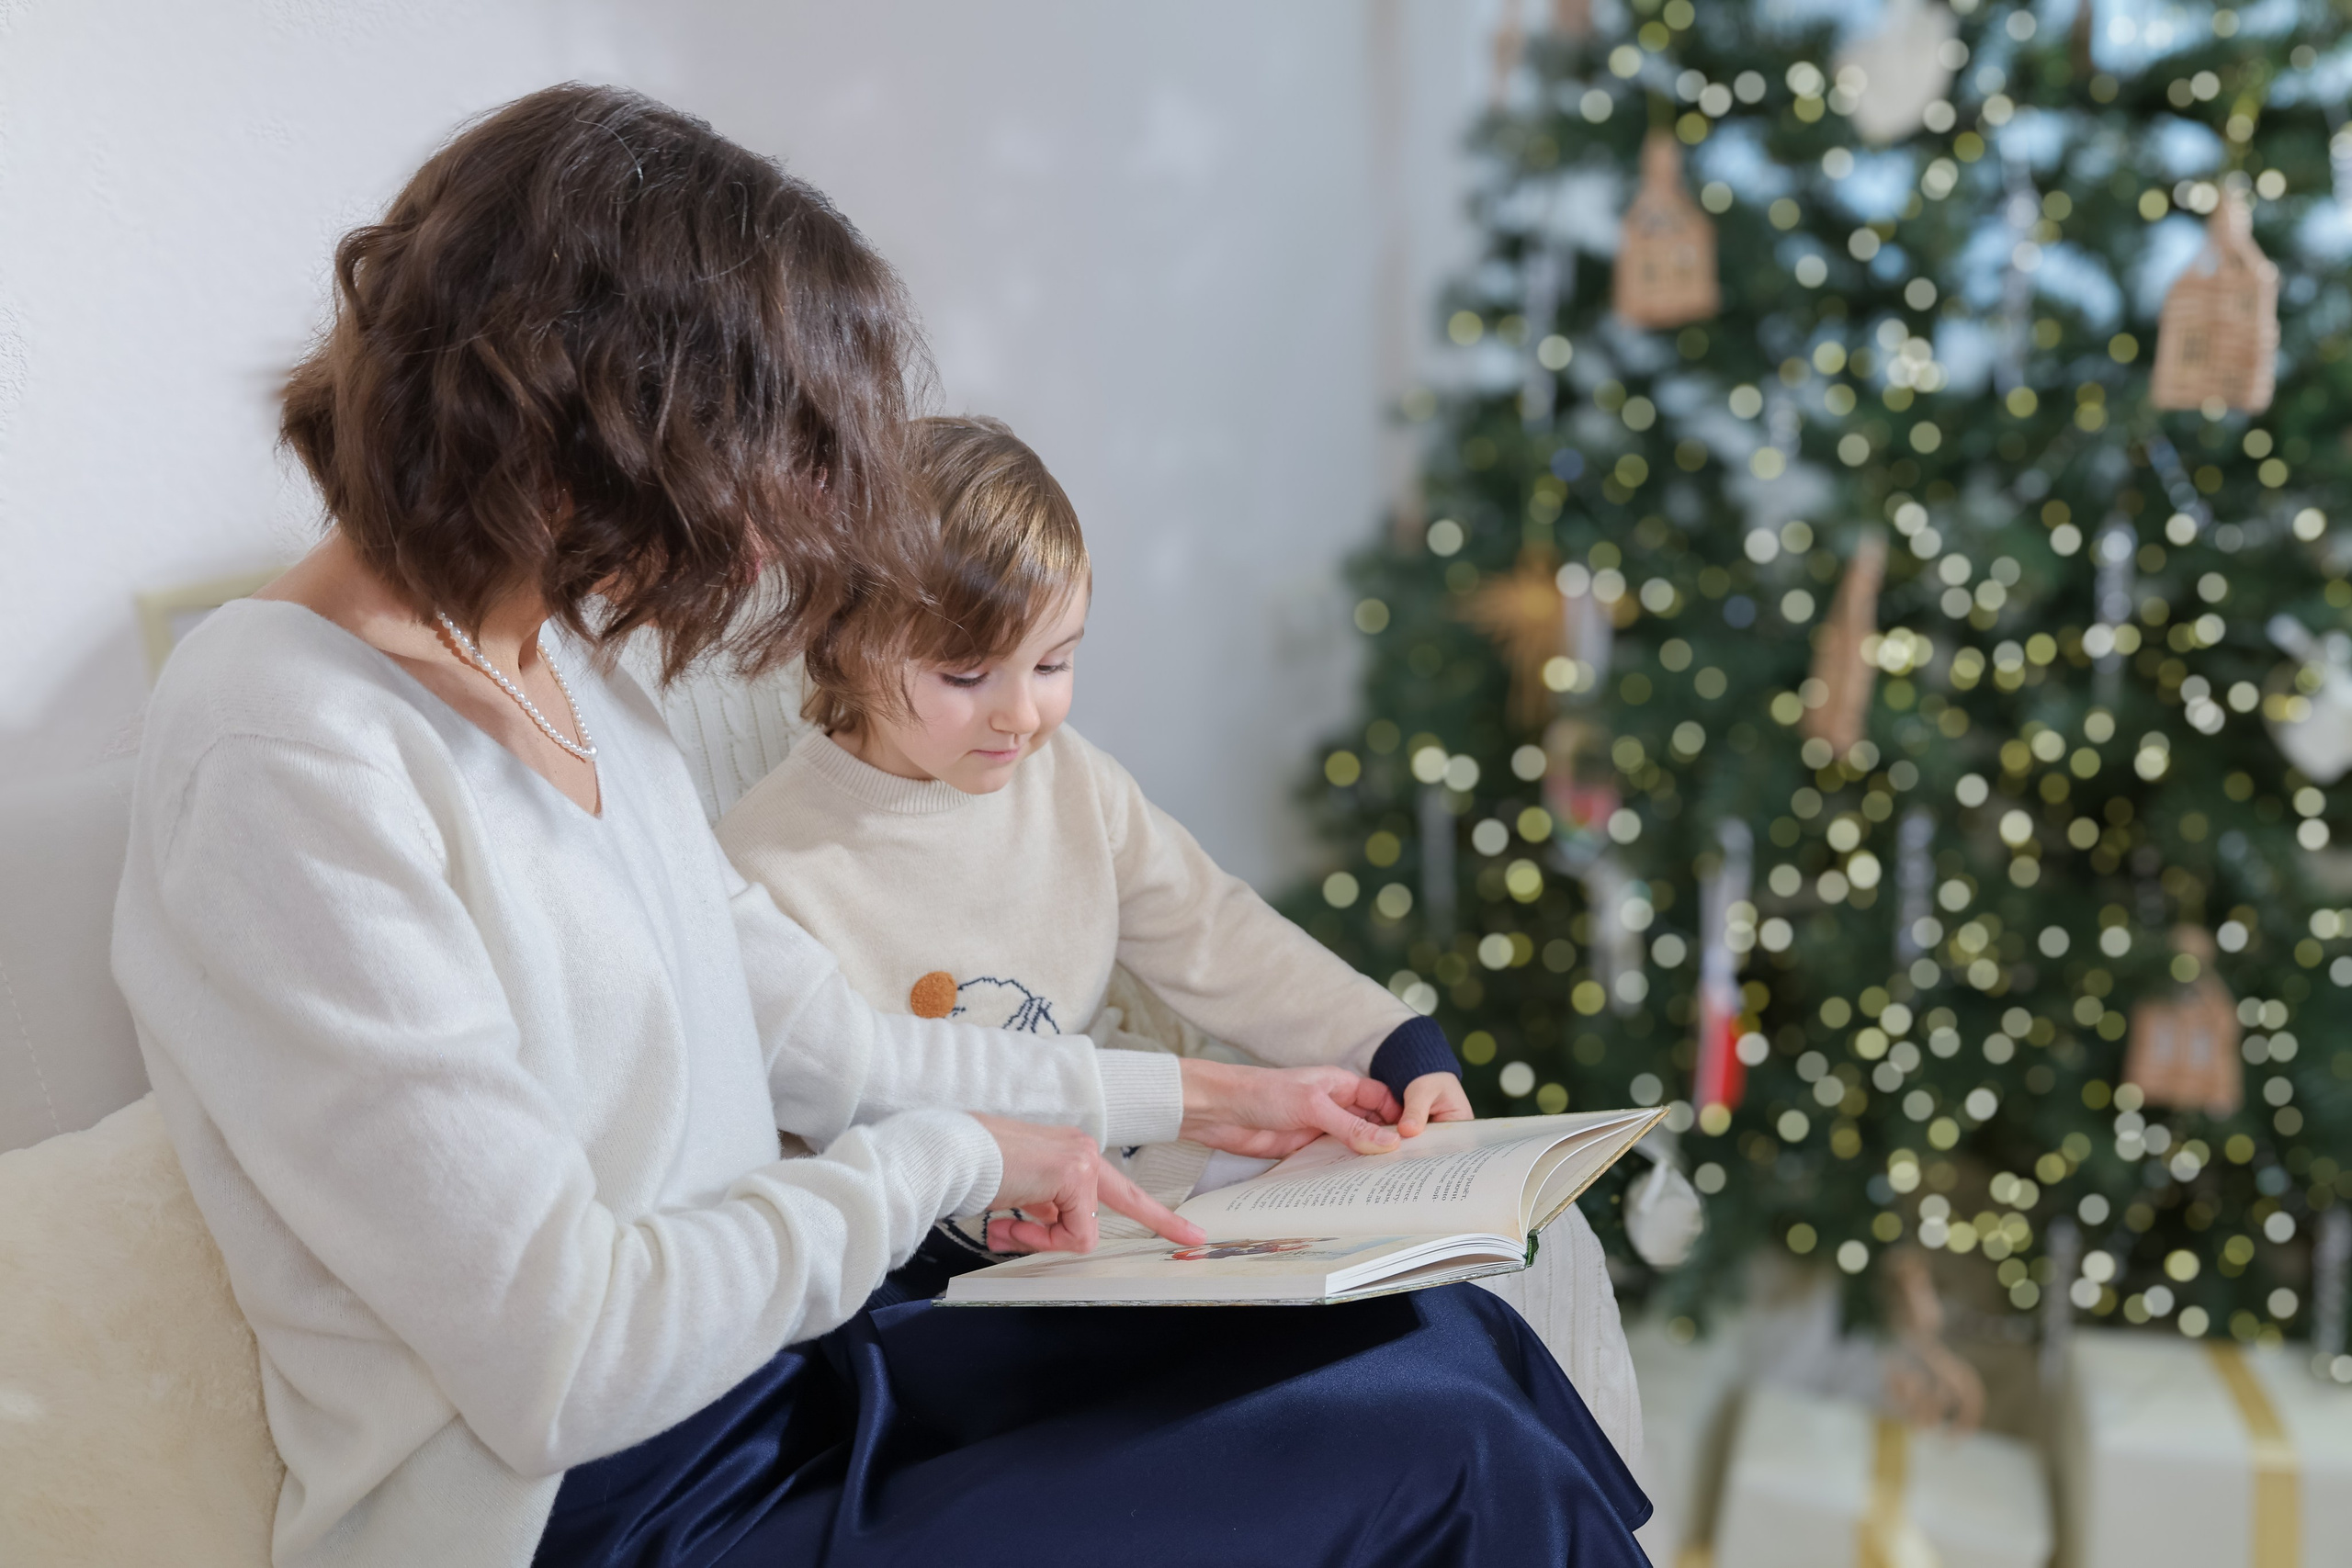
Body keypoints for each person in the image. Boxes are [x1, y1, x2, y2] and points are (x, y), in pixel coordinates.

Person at [111, 85, 1651, 1568]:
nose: (783, 536)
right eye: (764, 462)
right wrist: (939, 1162)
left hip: (782, 1380)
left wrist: (1202, 1096)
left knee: (1441, 1336)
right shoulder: (285, 748)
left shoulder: (556, 661)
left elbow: (835, 1051)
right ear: (590, 426)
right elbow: (563, 1356)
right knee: (1445, 1452)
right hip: (596, 1515)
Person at [717, 415, 1645, 1459]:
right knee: (1399, 1402)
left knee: (1457, 1334)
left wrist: (1391, 1044)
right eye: (967, 675)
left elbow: (1217, 930)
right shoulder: (767, 866)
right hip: (947, 1293)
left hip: (1131, 1207)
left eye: (1055, 662)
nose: (1022, 714)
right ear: (841, 635)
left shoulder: (1067, 782)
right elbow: (839, 1134)